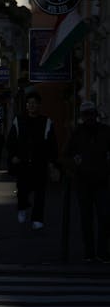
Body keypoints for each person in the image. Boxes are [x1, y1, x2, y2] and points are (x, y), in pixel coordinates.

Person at [64, 101, 110, 262]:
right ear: (83, 117)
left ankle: (102, 252)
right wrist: (74, 164)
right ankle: (90, 252)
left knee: (104, 216)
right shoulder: (77, 133)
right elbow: (67, 155)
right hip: (83, 181)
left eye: (91, 114)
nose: (89, 117)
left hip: (102, 180)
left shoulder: (105, 131)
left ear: (96, 115)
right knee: (86, 218)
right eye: (86, 114)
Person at [7, 91, 58, 230]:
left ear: (39, 105)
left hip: (39, 163)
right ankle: (22, 207)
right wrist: (13, 156)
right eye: (29, 103)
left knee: (40, 193)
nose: (31, 106)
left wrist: (53, 163)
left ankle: (37, 219)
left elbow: (52, 144)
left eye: (34, 103)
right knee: (22, 190)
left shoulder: (46, 122)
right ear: (26, 105)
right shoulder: (19, 120)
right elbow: (11, 140)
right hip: (22, 163)